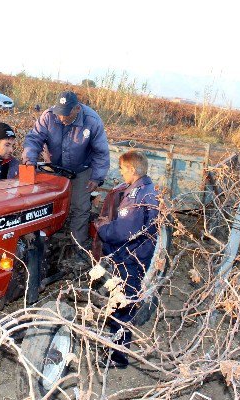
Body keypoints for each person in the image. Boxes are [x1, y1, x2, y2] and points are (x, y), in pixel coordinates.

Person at [94, 150, 160, 368]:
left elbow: (121, 231)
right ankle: (114, 349)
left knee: (122, 307)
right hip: (138, 255)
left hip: (131, 258)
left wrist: (102, 226)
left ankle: (118, 357)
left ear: (132, 169)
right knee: (122, 302)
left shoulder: (136, 197)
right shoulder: (147, 189)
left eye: (122, 169)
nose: (121, 173)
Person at [22, 90, 110, 245]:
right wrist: (30, 161)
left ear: (77, 109)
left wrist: (96, 177)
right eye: (59, 113)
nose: (61, 118)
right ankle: (47, 238)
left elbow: (101, 153)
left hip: (82, 168)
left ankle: (78, 245)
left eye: (66, 114)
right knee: (47, 202)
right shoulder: (48, 116)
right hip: (55, 166)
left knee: (80, 206)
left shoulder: (92, 121)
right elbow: (34, 138)